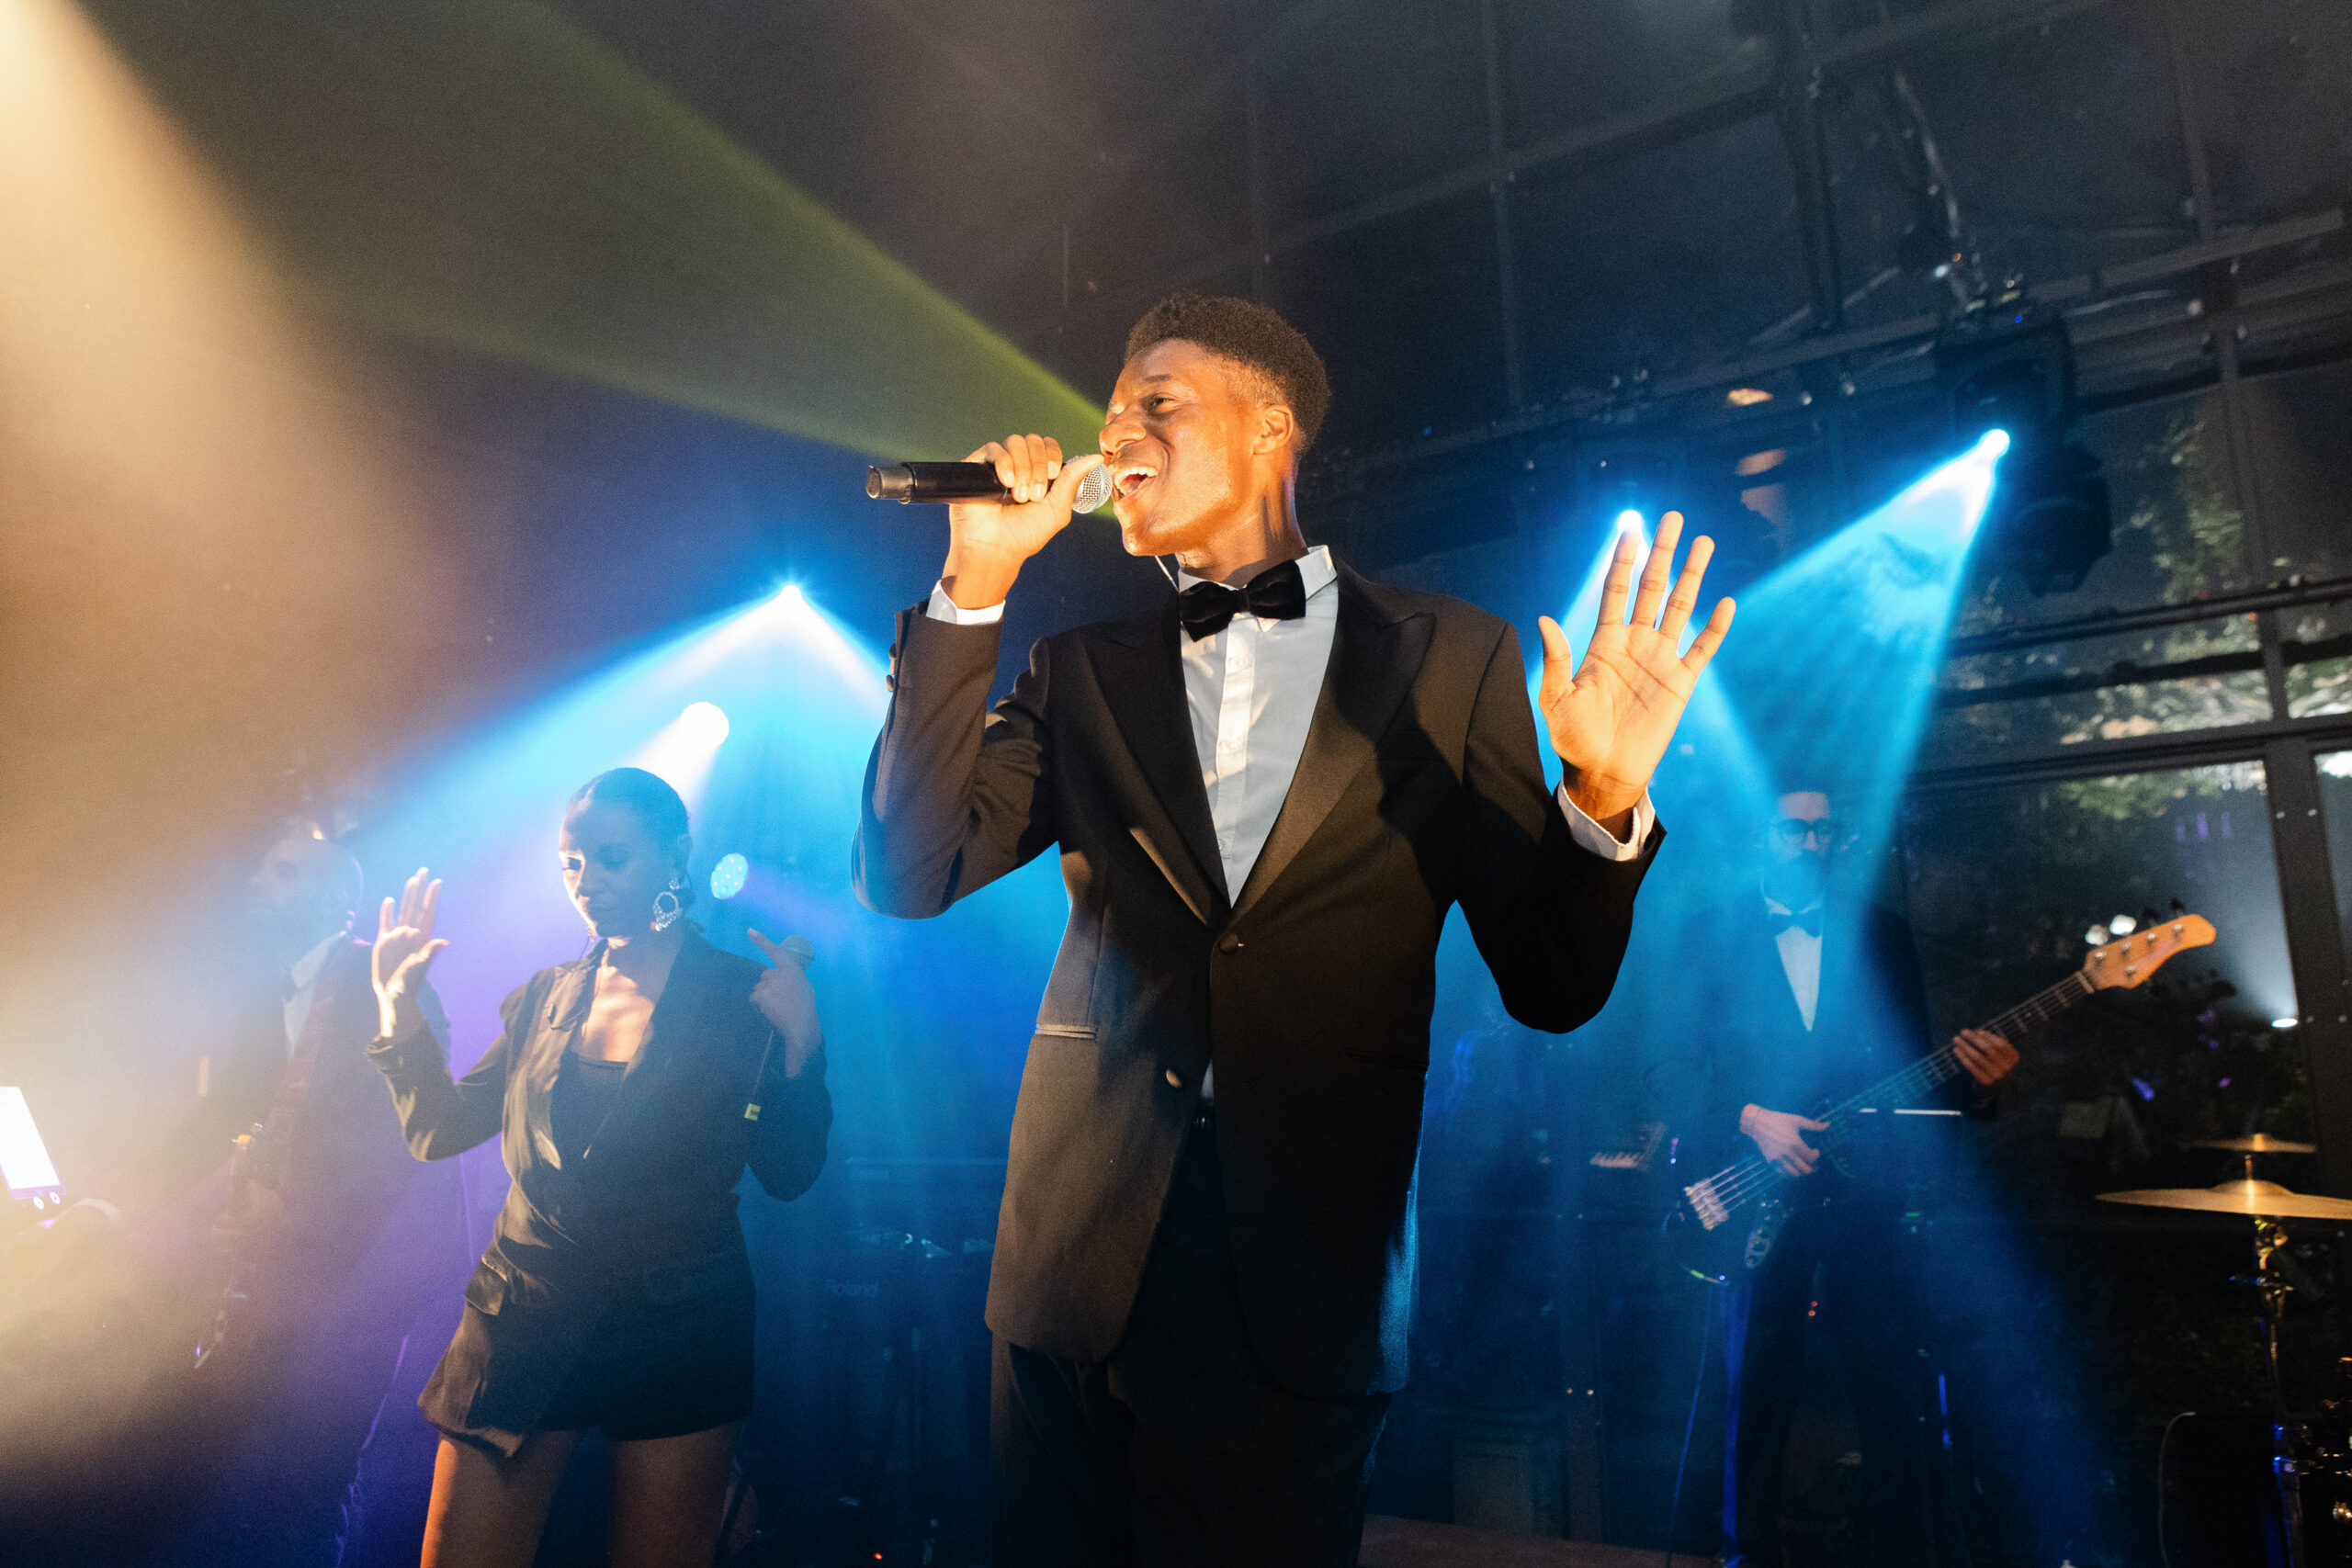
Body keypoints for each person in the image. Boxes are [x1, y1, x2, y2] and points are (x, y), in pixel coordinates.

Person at [854, 291, 1734, 1566]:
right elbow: (905, 871)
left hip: (1302, 1266)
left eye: (1156, 404)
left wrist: (1600, 795)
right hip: (1076, 1260)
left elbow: (1552, 983)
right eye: (1108, 415)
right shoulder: (1081, 668)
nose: (1116, 433)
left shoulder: (1450, 658)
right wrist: (975, 579)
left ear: (1270, 427)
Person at [365, 767, 831, 1568]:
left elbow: (789, 1174)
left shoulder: (743, 995)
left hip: (679, 1322)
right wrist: (397, 1007)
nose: (587, 882)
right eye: (571, 863)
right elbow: (438, 1129)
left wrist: (802, 1045)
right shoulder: (542, 996)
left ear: (675, 855)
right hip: (524, 1311)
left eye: (612, 858)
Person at [1685, 787, 2018, 1568]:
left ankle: (1896, 1553)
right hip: (1754, 1192)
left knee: (1891, 1387)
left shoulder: (1882, 934)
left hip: (1867, 1197)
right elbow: (1665, 1069)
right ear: (1761, 836)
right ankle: (1744, 1556)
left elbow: (1913, 1070)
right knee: (1756, 1387)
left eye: (1823, 829)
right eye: (1793, 829)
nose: (1810, 842)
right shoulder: (1707, 933)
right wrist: (1751, 1117)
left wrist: (1978, 1086)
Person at [168, 831, 472, 1568]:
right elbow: (228, 1124)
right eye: (261, 866)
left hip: (361, 1284)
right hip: (268, 1281)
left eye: (282, 870)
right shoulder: (267, 994)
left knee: (305, 1490)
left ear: (338, 897)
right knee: (224, 1487)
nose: (257, 880)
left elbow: (411, 1145)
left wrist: (289, 1208)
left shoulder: (385, 980)